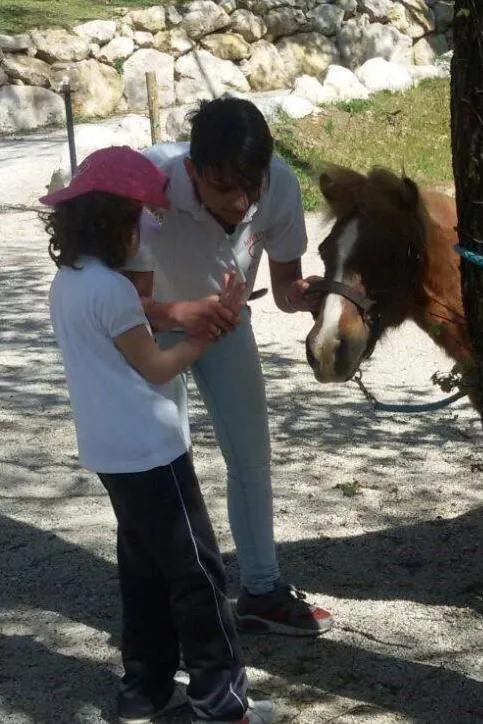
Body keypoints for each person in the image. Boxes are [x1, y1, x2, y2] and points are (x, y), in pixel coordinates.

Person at [44, 146, 275, 724]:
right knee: (197, 572)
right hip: (151, 450)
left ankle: (144, 690)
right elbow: (156, 366)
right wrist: (207, 334)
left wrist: (198, 316)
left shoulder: (68, 283)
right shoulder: (115, 291)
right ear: (115, 223)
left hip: (109, 451)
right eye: (140, 219)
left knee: (143, 571)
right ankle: (220, 700)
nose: (146, 231)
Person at [121, 97, 334, 637]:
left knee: (251, 457)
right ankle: (174, 599)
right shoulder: (151, 182)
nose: (240, 203)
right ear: (193, 171)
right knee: (161, 464)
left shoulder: (279, 184)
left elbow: (284, 286)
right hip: (153, 328)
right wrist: (183, 314)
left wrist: (304, 296)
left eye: (250, 187)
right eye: (223, 188)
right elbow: (125, 302)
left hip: (225, 326)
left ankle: (261, 591)